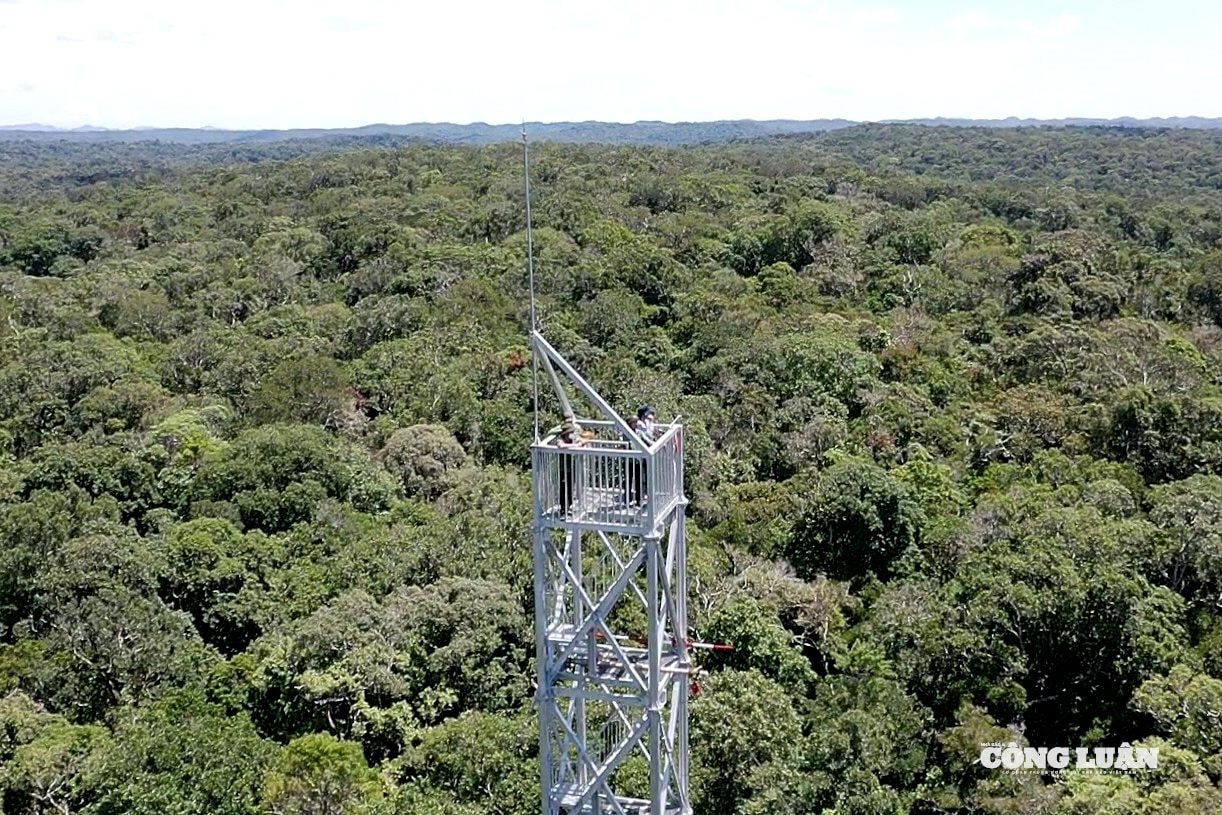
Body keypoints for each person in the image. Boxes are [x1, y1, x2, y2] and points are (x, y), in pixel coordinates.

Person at [555, 418, 584, 516]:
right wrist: (574, 446)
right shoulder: (561, 439)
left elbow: (581, 442)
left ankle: (570, 505)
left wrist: (578, 443)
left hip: (571, 467)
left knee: (571, 487)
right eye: (569, 432)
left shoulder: (573, 439)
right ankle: (563, 507)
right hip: (563, 468)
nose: (570, 434)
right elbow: (560, 446)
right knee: (563, 488)